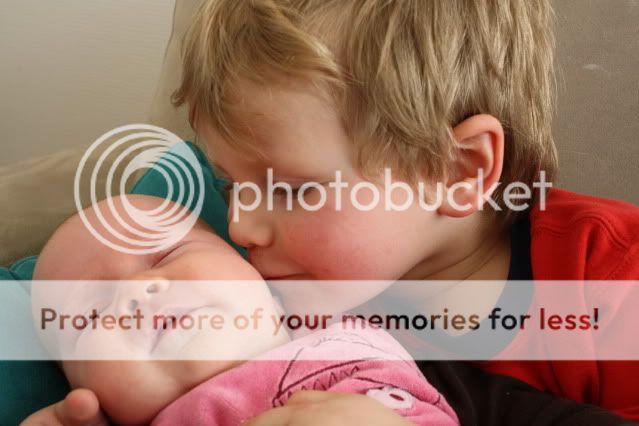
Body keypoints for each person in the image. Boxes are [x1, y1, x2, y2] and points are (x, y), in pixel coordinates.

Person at [165, 0, 638, 422]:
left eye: (291, 190)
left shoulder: (612, 278)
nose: (239, 226)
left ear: (459, 171)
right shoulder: (281, 304)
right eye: (229, 185)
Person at [22, 195, 458, 426]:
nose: (137, 291)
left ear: (255, 272)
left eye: (165, 256)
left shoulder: (358, 342)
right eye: (93, 314)